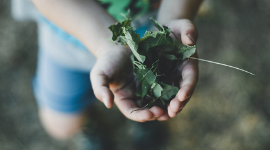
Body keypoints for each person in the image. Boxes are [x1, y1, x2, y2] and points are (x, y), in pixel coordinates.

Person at [15, 0, 202, 140]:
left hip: (150, 26)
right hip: (67, 38)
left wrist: (174, 17)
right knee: (61, 126)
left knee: (156, 97)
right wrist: (107, 45)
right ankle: (88, 123)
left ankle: (146, 114)